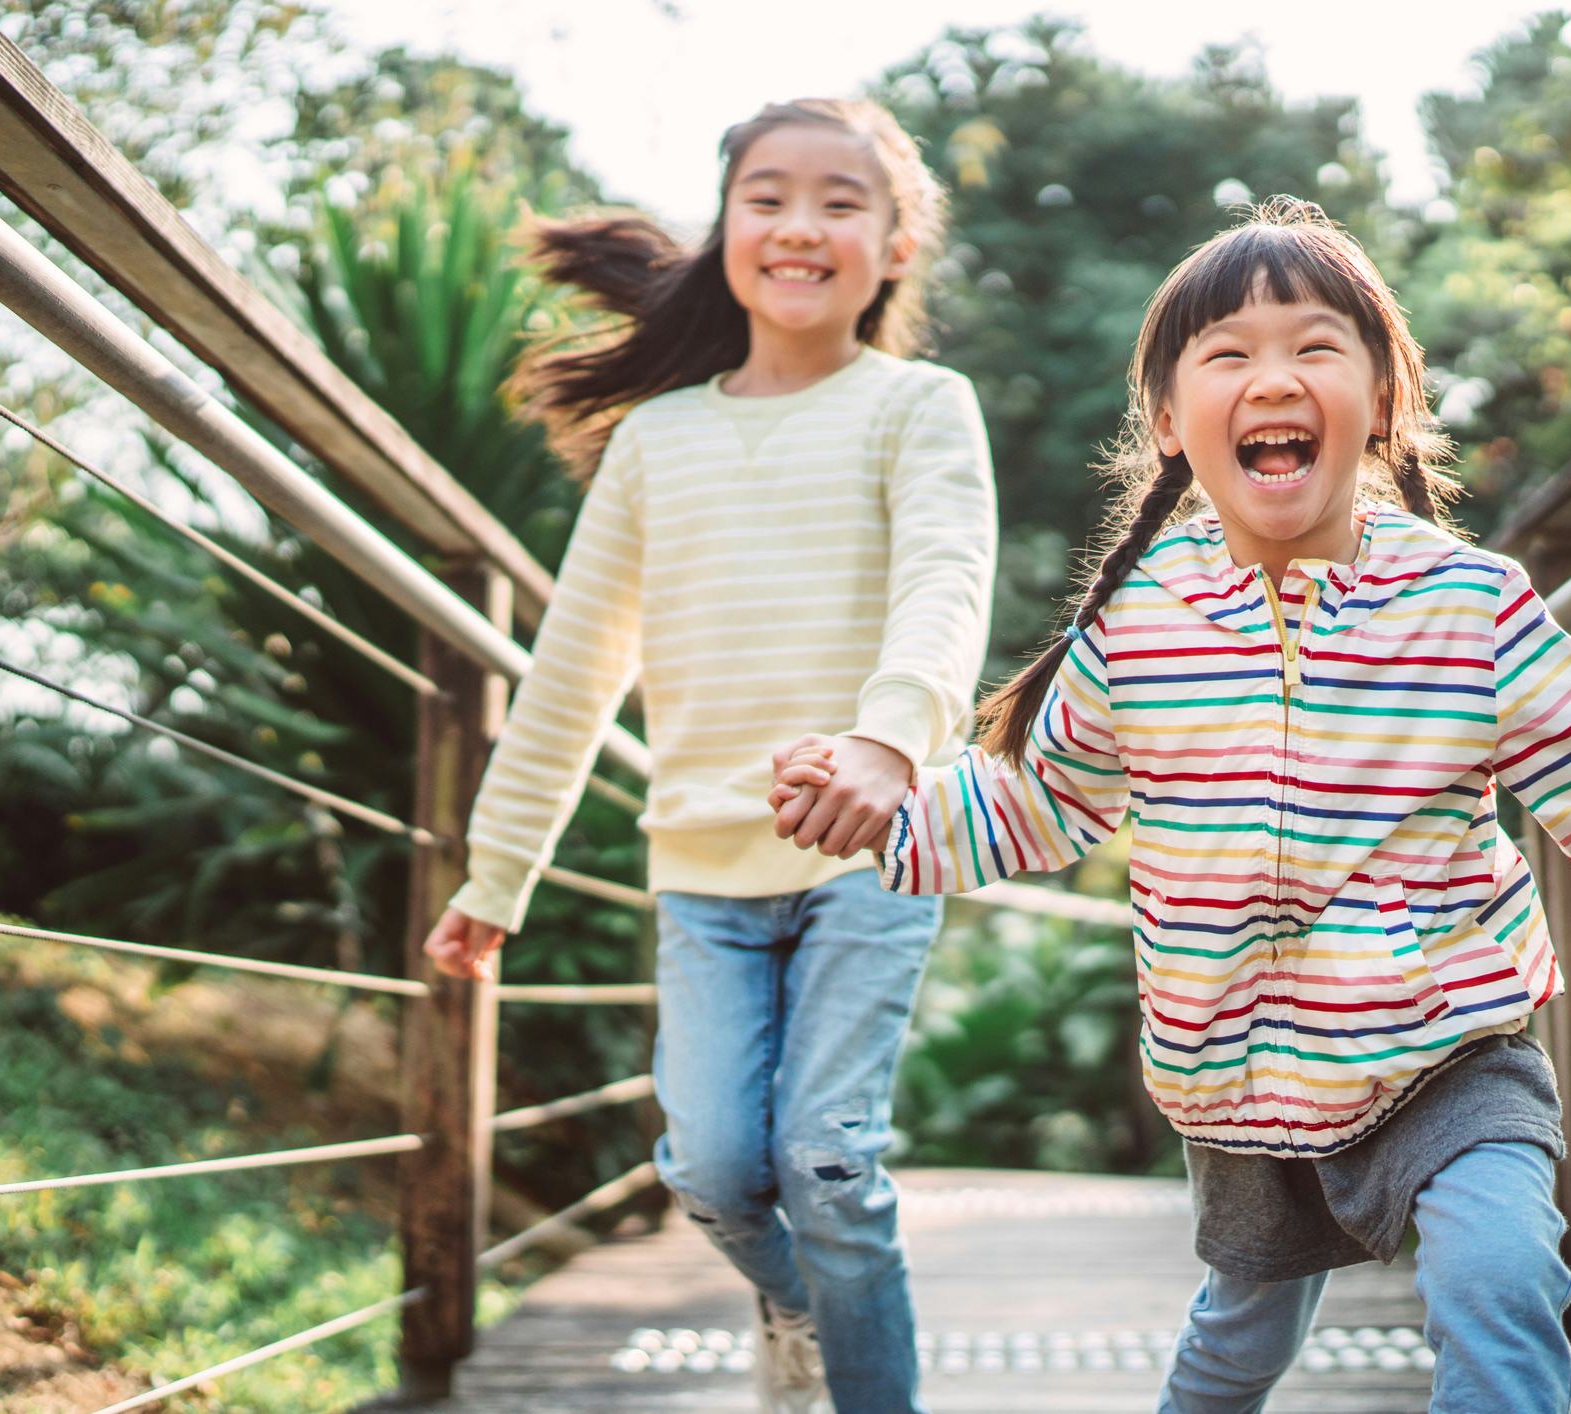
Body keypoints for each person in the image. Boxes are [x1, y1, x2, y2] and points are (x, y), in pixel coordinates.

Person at [769, 197, 1571, 1414]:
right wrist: (894, 815)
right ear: (1171, 423)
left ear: (1383, 401)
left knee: (1499, 1281)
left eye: (1313, 346)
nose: (1271, 377)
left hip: (1447, 1045)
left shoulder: (1471, 609)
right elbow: (1041, 796)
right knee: (1237, 1345)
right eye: (1226, 356)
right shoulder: (1138, 626)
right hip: (1234, 1073)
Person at [423, 97, 996, 1414]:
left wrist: (887, 743)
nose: (801, 225)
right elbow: (572, 667)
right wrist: (494, 871)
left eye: (841, 202)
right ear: (727, 226)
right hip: (703, 874)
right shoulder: (654, 442)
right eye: (769, 196)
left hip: (874, 851)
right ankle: (797, 1308)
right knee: (716, 1169)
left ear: (897, 242)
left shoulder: (921, 406)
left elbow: (947, 584)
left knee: (831, 1161)